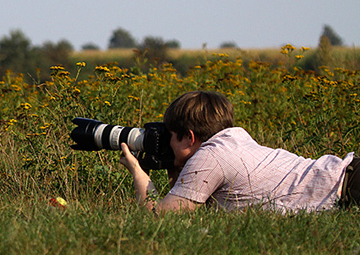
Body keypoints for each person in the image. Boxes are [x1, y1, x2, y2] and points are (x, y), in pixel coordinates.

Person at [119, 90, 360, 212]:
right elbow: (186, 202)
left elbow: (161, 218)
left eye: (170, 135)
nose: (167, 142)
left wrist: (138, 172)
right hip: (348, 176)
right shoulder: (232, 141)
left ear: (189, 137)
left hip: (350, 186)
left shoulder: (210, 157)